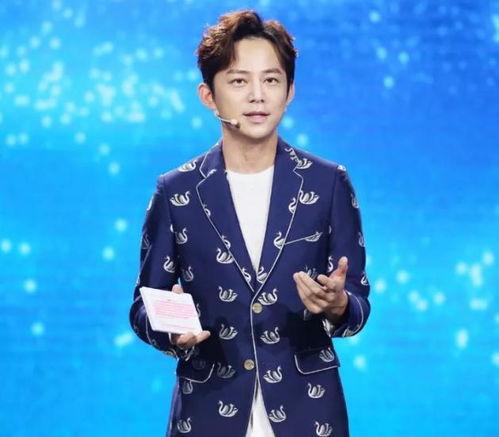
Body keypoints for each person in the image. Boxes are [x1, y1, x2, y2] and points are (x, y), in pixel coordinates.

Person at [129, 9, 370, 437]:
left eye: (271, 80)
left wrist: (337, 305)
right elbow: (143, 305)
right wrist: (171, 331)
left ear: (289, 91)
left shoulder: (328, 183)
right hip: (207, 413)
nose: (258, 96)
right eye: (239, 81)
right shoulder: (176, 191)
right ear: (209, 95)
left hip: (309, 413)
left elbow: (358, 301)